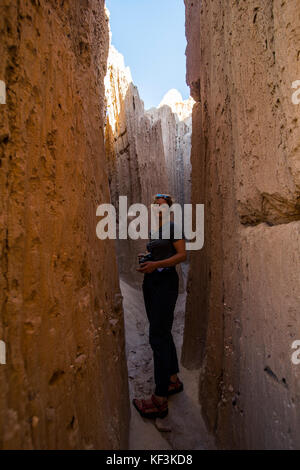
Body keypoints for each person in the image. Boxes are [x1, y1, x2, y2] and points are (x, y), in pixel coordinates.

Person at [132, 193, 187, 419]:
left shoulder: (173, 227)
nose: (157, 208)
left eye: (162, 205)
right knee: (163, 333)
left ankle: (160, 399)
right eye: (155, 206)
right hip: (153, 282)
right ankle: (172, 380)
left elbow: (182, 255)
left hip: (165, 283)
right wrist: (147, 257)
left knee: (157, 336)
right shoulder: (156, 231)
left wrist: (156, 264)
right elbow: (163, 253)